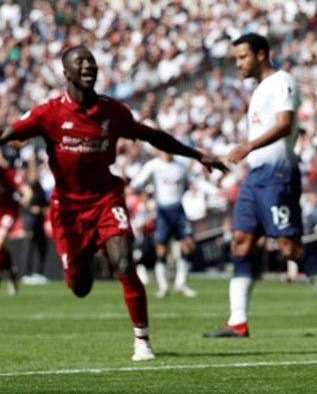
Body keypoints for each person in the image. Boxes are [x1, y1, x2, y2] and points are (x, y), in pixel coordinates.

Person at [0, 45, 227, 361]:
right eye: (80, 62)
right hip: (67, 210)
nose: (88, 65)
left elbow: (151, 135)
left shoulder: (113, 112)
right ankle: (84, 259)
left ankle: (142, 341)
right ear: (66, 73)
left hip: (106, 199)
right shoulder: (48, 113)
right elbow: (9, 132)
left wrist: (199, 155)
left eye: (91, 60)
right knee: (79, 286)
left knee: (123, 264)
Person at [203, 33, 317, 339]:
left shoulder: (282, 80)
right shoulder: (260, 90)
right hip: (255, 177)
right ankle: (237, 321)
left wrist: (248, 146)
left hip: (277, 176)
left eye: (242, 56)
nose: (239, 63)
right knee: (241, 243)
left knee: (290, 248)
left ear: (261, 54)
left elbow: (285, 123)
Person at [130, 150, 198, 298]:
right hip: (163, 211)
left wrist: (215, 191)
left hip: (179, 210)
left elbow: (196, 181)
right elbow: (139, 181)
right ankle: (163, 286)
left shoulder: (181, 166)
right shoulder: (153, 165)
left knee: (189, 245)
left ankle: (181, 283)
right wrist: (133, 187)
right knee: (161, 249)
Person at [19, 153, 49, 284]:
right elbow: (22, 203)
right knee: (29, 245)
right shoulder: (25, 186)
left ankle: (38, 272)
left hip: (39, 220)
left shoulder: (39, 186)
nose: (35, 173)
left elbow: (45, 202)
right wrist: (31, 208)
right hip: (29, 220)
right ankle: (26, 273)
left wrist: (41, 209)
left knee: (42, 246)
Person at [0, 153, 20, 296]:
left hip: (8, 211)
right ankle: (10, 270)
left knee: (0, 243)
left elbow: (21, 186)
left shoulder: (6, 172)